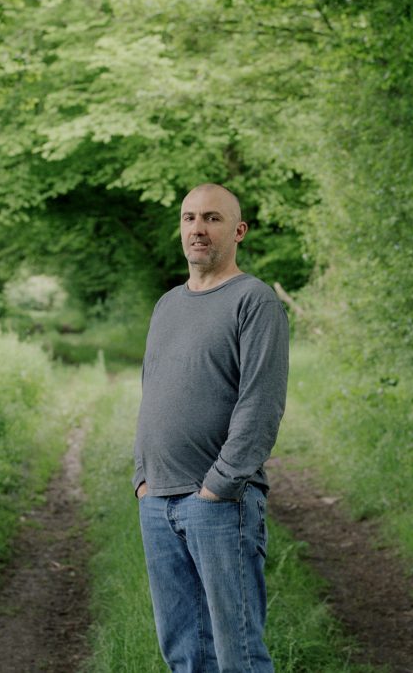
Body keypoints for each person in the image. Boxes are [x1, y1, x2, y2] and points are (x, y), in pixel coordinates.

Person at [132, 183, 289, 672]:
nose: (197, 229)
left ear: (238, 230)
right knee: (184, 654)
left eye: (212, 219)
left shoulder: (254, 300)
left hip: (220, 506)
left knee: (236, 654)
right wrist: (142, 478)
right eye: (189, 218)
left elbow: (261, 404)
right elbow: (151, 390)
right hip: (157, 502)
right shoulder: (167, 305)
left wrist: (218, 487)